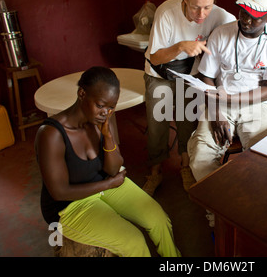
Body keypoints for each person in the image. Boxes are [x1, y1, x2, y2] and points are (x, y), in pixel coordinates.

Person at [35, 66, 180, 257]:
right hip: (71, 205)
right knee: (134, 242)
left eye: (111, 107)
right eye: (101, 105)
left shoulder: (103, 120)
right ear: (81, 93)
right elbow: (59, 192)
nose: (106, 112)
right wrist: (109, 184)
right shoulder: (51, 134)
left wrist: (108, 136)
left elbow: (112, 168)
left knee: (159, 219)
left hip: (105, 184)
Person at [188, 0, 267, 187]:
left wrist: (231, 98)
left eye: (256, 16)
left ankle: (244, 199)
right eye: (243, 11)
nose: (246, 20)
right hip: (219, 103)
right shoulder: (221, 34)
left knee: (265, 158)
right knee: (200, 155)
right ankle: (219, 202)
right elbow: (207, 77)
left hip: (257, 105)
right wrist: (216, 112)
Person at [143, 0, 236, 196]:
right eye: (195, 7)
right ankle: (156, 171)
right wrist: (181, 47)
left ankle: (185, 167)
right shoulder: (167, 12)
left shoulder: (222, 16)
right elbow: (154, 57)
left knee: (187, 121)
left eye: (207, 7)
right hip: (159, 72)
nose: (201, 14)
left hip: (189, 73)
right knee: (158, 122)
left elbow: (239, 32)